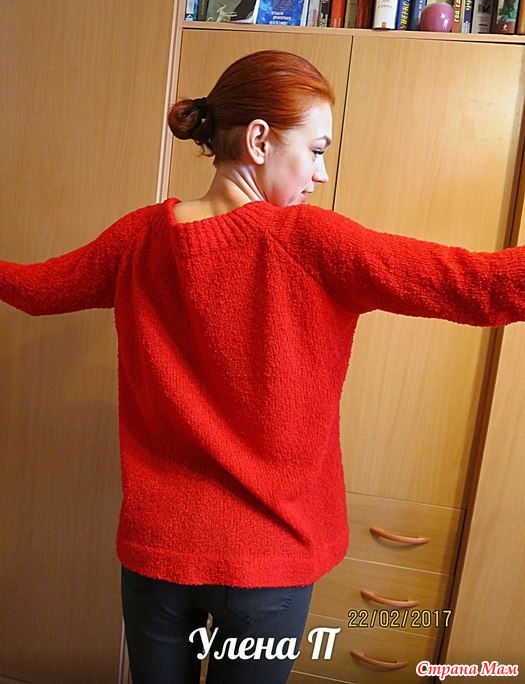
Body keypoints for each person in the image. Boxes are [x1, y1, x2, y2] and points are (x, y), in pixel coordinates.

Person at [1, 49, 525, 684]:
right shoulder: (312, 242)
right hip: (268, 566)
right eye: (315, 150)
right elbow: (477, 285)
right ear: (258, 140)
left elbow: (35, 290)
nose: (321, 173)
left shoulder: (136, 239)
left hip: (157, 557)